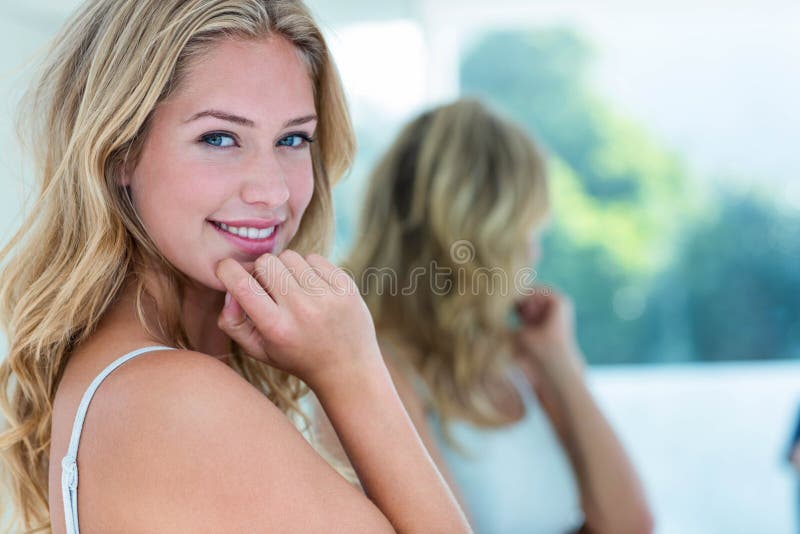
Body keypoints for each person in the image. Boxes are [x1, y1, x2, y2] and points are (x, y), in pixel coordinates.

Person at [0, 1, 471, 532]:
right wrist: (352, 371)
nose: (271, 191)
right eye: (219, 138)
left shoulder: (134, 381)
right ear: (119, 153)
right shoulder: (176, 400)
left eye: (292, 139)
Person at [315, 98, 654, 533]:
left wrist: (563, 365)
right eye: (527, 229)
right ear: (481, 234)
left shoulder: (528, 362)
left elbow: (632, 526)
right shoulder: (374, 368)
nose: (535, 251)